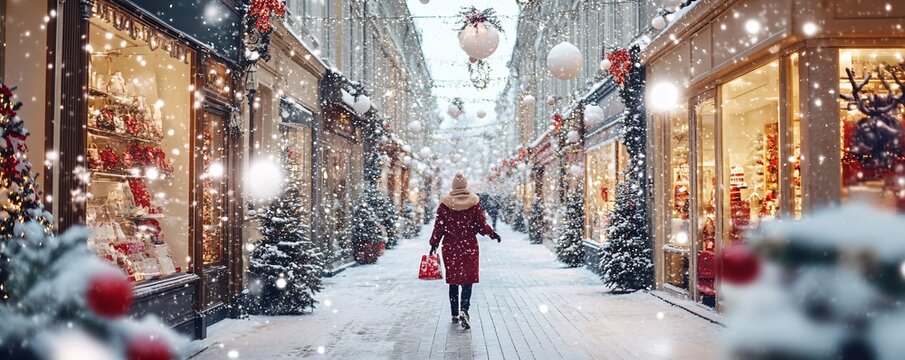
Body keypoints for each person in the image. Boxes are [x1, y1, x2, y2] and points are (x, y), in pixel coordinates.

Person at [430, 173, 500, 330]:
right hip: (469, 246)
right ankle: (464, 309)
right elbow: (481, 225)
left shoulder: (445, 205)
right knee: (467, 280)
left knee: (454, 280)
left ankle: (454, 313)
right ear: (466, 185)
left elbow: (438, 226)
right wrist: (492, 233)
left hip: (450, 246)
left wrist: (434, 243)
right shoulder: (473, 204)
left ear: (453, 187)